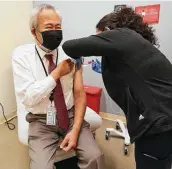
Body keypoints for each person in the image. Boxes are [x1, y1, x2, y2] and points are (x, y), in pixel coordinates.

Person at [62, 7, 172, 169]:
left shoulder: (122, 35)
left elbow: (70, 46)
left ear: (108, 31)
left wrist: (77, 57)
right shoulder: (135, 45)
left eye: (100, 37)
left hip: (157, 127)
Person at [12, 4, 105, 169]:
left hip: (69, 115)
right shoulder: (21, 57)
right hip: (41, 120)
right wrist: (56, 74)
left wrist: (75, 130)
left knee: (95, 157)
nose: (55, 32)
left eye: (58, 27)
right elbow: (28, 98)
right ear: (34, 31)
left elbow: (79, 94)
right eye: (49, 27)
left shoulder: (71, 53)